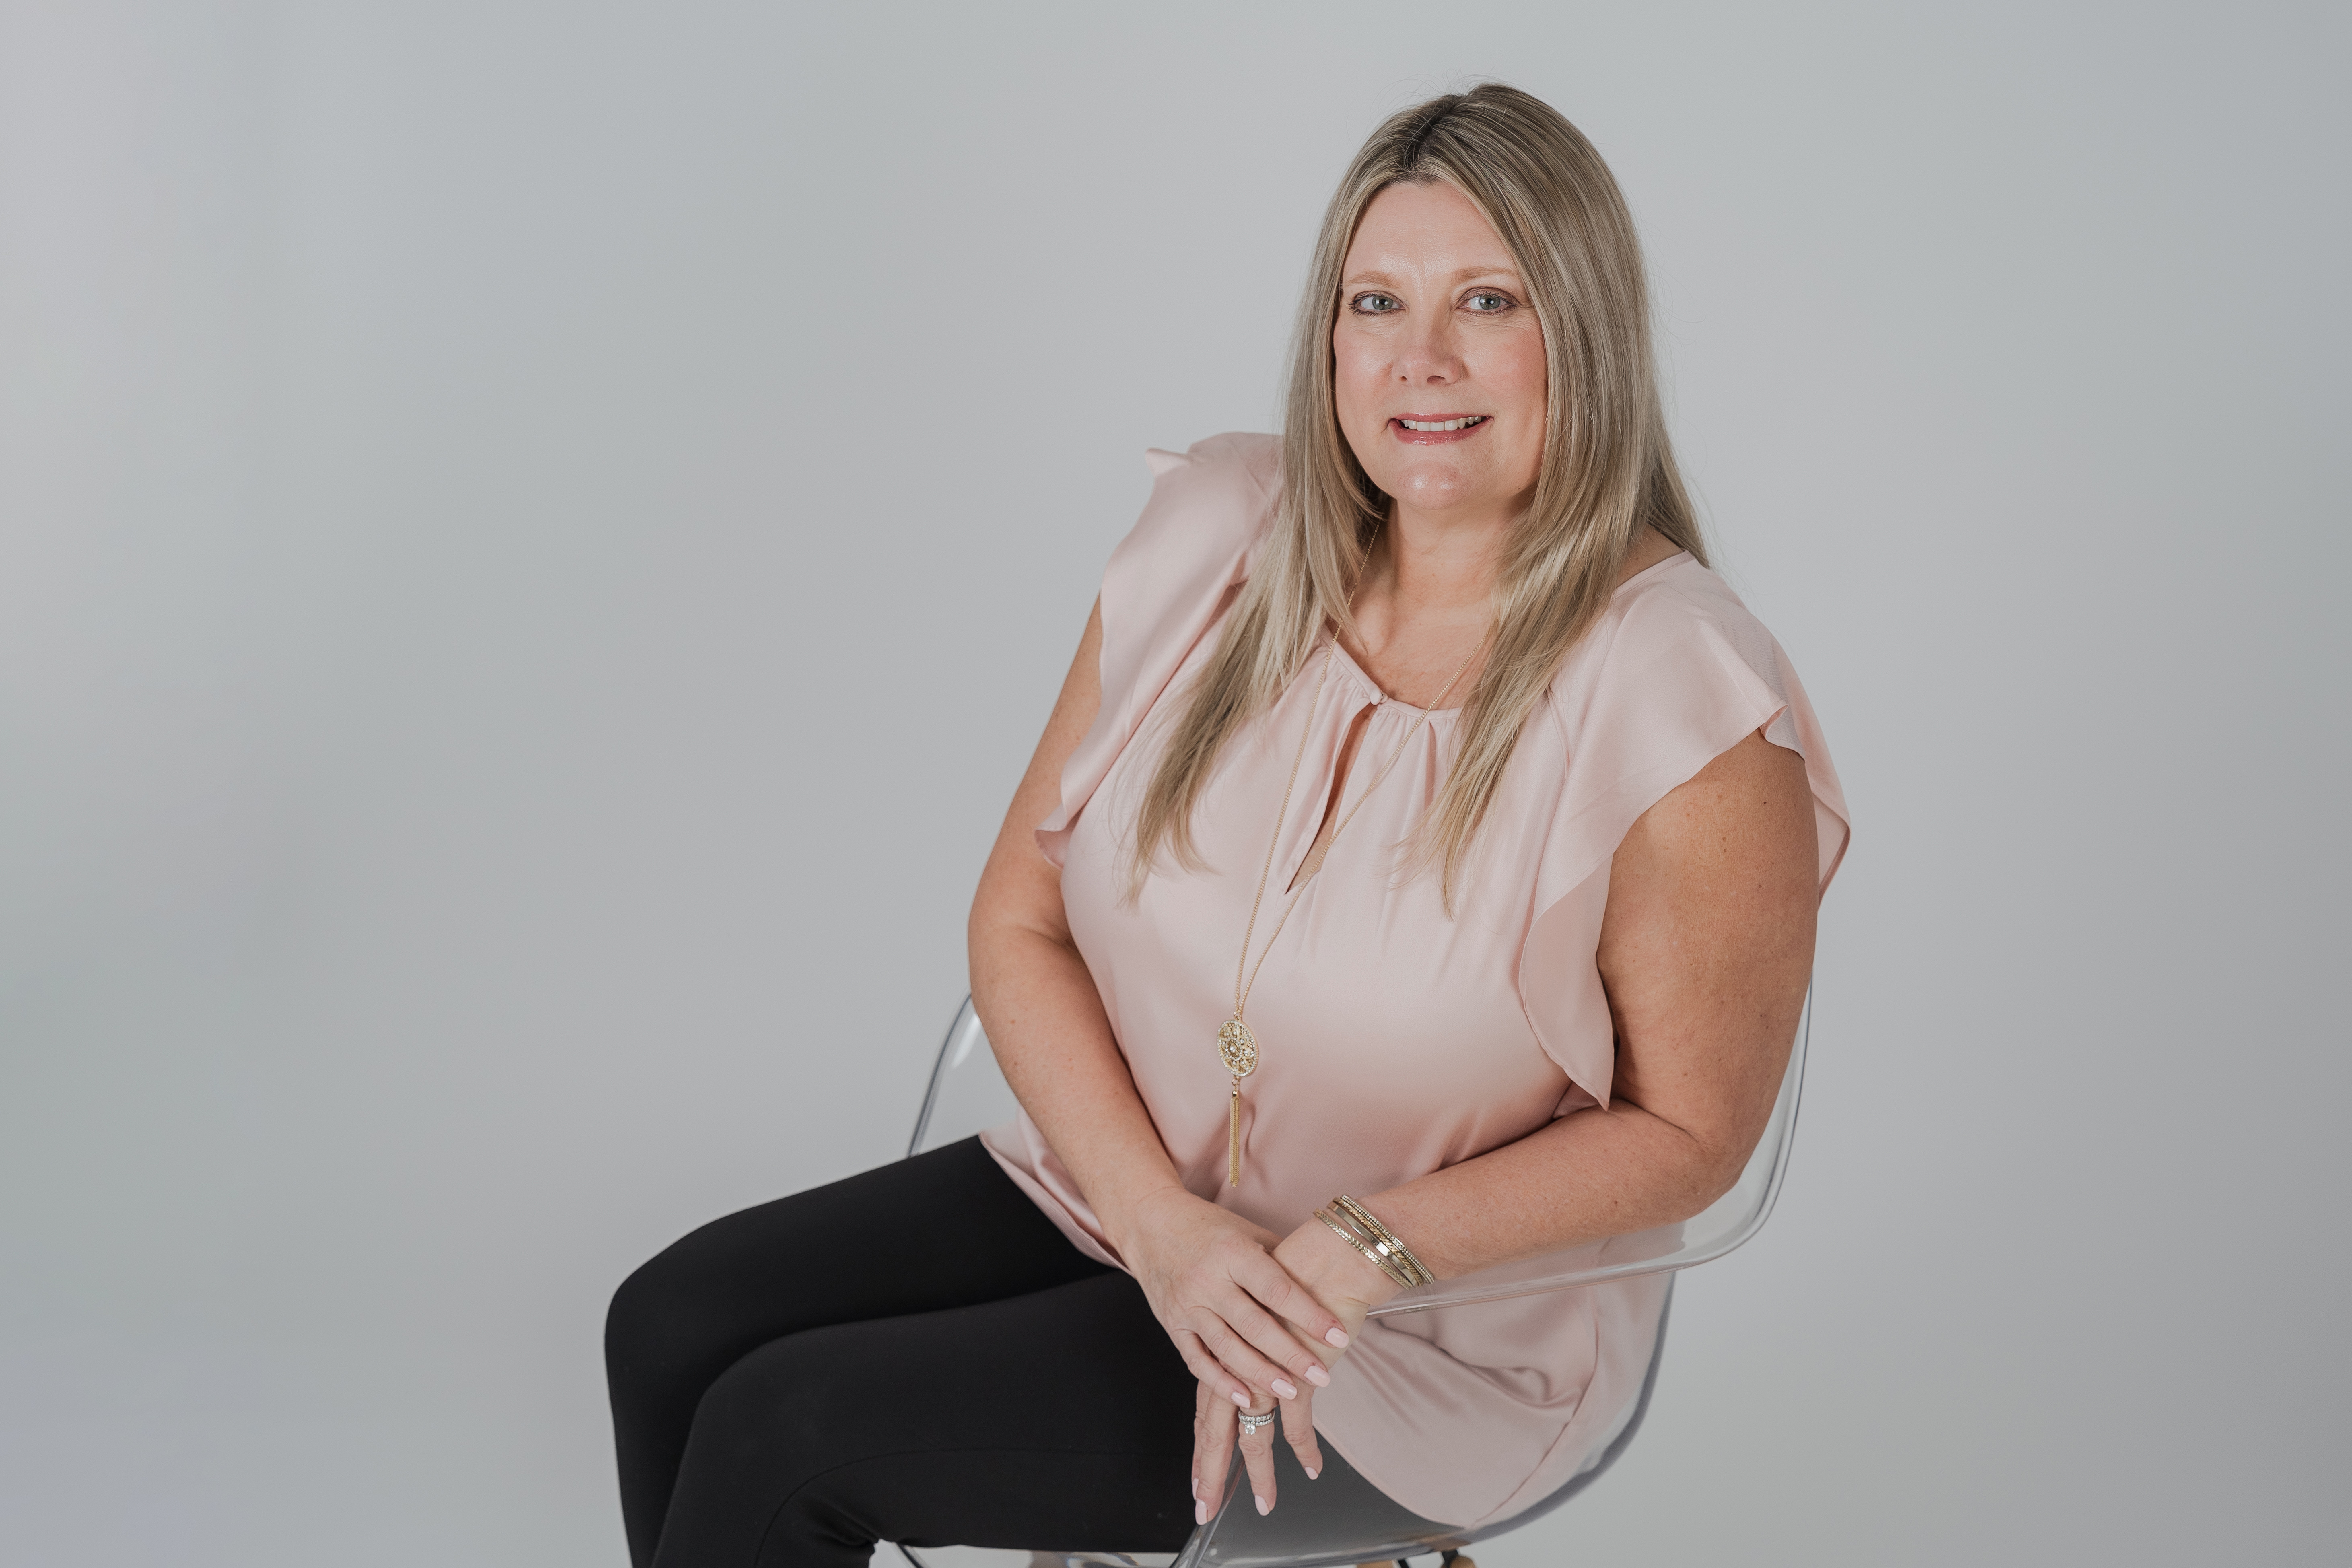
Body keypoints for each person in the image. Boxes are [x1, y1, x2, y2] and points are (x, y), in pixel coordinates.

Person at [604, 82, 1849, 1567]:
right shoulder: (1220, 535)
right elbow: (1017, 920)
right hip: (1135, 1196)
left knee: (787, 1433)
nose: (1422, 359)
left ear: (1580, 331)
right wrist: (1162, 1226)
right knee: (671, 1327)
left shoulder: (1683, 691)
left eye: (1489, 301)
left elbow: (1695, 1134)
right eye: (1376, 301)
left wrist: (1360, 1249)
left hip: (1415, 1329)